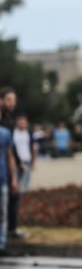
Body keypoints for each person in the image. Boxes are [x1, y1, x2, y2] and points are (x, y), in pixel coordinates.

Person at [0, 87, 26, 240]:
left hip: (4, 166)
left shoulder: (8, 120)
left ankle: (10, 229)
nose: (12, 104)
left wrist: (17, 162)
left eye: (13, 101)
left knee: (12, 196)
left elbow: (10, 146)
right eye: (9, 100)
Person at [0, 111, 19, 257]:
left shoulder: (5, 133)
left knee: (2, 214)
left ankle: (1, 244)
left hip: (3, 180)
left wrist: (13, 178)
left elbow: (10, 156)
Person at [12, 114, 35, 193]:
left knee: (26, 182)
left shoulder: (29, 133)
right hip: (15, 161)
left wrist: (33, 161)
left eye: (24, 122)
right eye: (20, 121)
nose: (22, 123)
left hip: (26, 159)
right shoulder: (12, 133)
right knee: (16, 181)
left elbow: (32, 147)